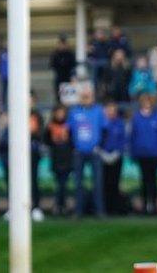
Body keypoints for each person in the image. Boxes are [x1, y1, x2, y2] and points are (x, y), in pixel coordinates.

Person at [0, 92, 46, 222]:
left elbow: (38, 133)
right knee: (11, 182)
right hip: (10, 153)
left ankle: (35, 208)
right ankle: (12, 208)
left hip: (31, 153)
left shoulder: (35, 115)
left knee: (32, 181)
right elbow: (3, 136)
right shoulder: (10, 114)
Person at [68, 87, 107, 217]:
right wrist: (74, 146)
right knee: (78, 183)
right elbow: (69, 131)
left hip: (94, 152)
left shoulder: (98, 111)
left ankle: (99, 211)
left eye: (88, 96)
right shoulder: (74, 112)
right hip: (79, 152)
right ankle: (78, 211)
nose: (86, 99)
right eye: (84, 96)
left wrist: (99, 145)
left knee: (97, 183)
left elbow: (105, 129)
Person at [130, 92, 157, 215]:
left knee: (154, 181)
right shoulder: (136, 118)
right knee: (144, 182)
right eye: (144, 101)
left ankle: (154, 208)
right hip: (142, 155)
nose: (146, 103)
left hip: (155, 154)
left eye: (148, 101)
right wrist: (134, 152)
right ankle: (145, 207)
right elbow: (133, 136)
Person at [43, 104, 75, 216]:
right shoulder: (50, 126)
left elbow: (72, 141)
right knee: (59, 184)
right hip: (56, 159)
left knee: (63, 185)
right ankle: (60, 206)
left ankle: (60, 206)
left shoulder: (68, 126)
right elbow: (46, 141)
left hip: (67, 159)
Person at [101, 101, 128, 215]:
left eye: (113, 110)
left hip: (116, 156)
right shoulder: (101, 123)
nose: (110, 112)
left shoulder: (120, 123)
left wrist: (117, 153)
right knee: (104, 183)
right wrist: (102, 153)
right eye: (108, 110)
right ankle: (105, 208)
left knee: (115, 182)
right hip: (103, 157)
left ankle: (115, 209)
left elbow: (122, 140)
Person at [50, 34, 77, 102]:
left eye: (64, 44)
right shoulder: (55, 54)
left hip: (68, 78)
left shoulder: (70, 54)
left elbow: (73, 65)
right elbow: (52, 65)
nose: (62, 46)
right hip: (59, 78)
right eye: (61, 44)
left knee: (69, 97)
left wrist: (73, 77)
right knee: (59, 96)